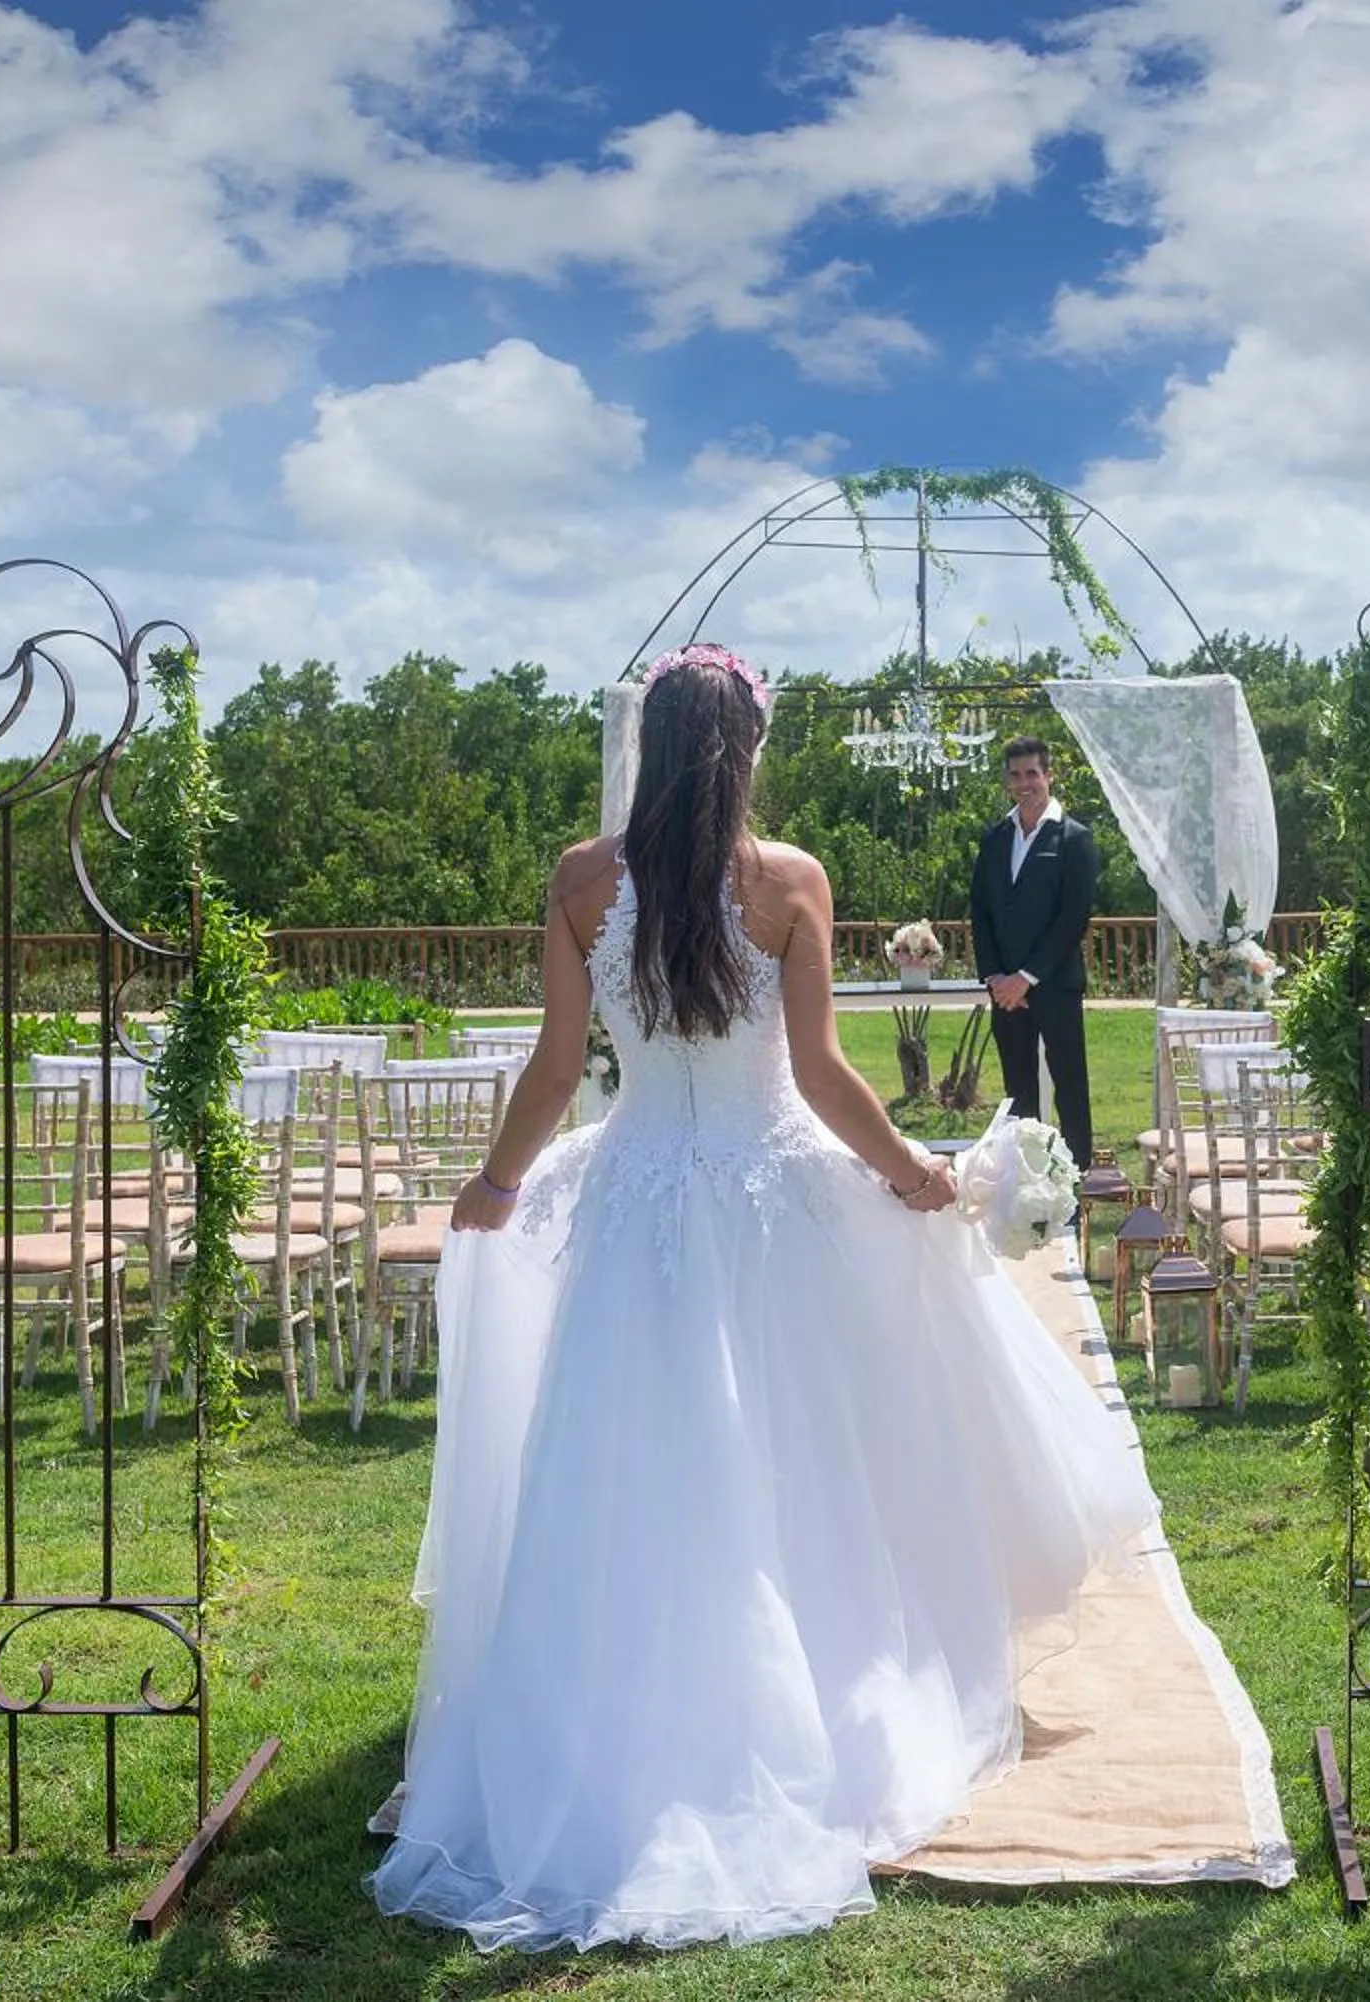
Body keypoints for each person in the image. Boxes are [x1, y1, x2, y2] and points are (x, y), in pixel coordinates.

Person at [372, 644, 1160, 1953]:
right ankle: (802, 1696)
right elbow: (824, 1071)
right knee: (804, 1456)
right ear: (743, 749)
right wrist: (912, 1172)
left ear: (652, 746)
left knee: (636, 1460)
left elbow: (559, 1066)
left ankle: (629, 1709)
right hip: (768, 1199)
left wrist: (496, 1185)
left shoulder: (579, 880)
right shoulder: (790, 879)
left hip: (634, 1206)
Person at [967, 736, 1099, 1176]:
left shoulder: (1074, 838)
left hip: (1055, 985)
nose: (1024, 783)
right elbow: (981, 911)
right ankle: (1024, 1181)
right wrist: (996, 978)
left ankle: (1075, 1181)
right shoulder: (995, 838)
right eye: (1016, 775)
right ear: (1008, 780)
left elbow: (1073, 918)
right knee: (1018, 1092)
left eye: (1032, 774)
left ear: (1048, 776)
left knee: (1070, 1087)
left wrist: (1027, 977)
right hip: (1005, 992)